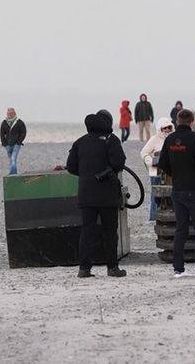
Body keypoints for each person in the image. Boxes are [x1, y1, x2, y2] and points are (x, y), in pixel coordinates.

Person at [65, 111, 127, 278]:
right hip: (107, 195)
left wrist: (86, 174)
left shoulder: (80, 142)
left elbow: (70, 166)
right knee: (109, 231)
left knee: (87, 231)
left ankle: (84, 268)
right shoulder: (111, 140)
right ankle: (112, 267)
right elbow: (119, 163)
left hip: (86, 194)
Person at [158, 109, 195, 278]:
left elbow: (162, 163)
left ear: (177, 122)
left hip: (178, 189)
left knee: (181, 230)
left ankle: (178, 269)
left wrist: (175, 174)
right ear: (192, 122)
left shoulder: (169, 140)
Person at [141, 117, 174, 221]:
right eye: (165, 128)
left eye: (169, 127)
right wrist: (151, 162)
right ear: (160, 128)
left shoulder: (174, 139)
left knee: (170, 194)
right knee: (155, 197)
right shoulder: (154, 139)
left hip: (170, 173)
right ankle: (153, 218)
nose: (167, 130)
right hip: (155, 172)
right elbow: (144, 153)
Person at [0, 108, 27, 175]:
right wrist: (4, 144)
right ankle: (14, 173)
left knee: (13, 158)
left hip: (16, 144)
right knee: (11, 160)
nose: (10, 115)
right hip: (8, 145)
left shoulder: (19, 122)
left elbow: (23, 132)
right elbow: (2, 134)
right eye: (8, 113)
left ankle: (12, 173)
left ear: (14, 113)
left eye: (11, 113)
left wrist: (19, 142)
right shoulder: (4, 122)